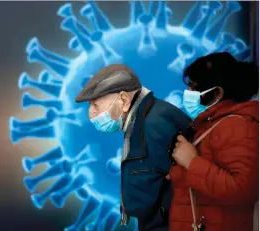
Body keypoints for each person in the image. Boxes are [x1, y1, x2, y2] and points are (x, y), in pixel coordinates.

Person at [75, 64, 192, 231]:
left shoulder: (152, 124)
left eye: (95, 105)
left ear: (123, 100)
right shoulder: (146, 117)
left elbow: (169, 186)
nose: (91, 113)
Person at [167, 52, 259, 231]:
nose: (189, 94)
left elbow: (242, 190)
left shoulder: (237, 125)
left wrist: (192, 162)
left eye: (194, 88)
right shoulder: (209, 124)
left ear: (217, 93)